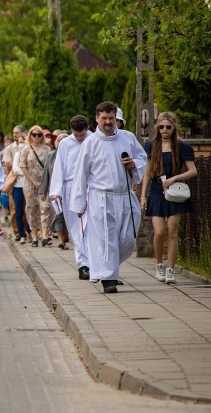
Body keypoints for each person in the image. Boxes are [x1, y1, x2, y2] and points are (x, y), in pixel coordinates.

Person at [68, 102, 147, 294]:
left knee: (128, 239)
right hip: (100, 197)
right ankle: (108, 278)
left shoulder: (128, 138)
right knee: (106, 239)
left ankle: (105, 267)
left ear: (116, 119)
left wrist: (133, 164)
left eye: (111, 118)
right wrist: (80, 205)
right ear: (97, 119)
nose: (108, 122)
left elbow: (143, 157)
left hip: (125, 195)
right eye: (103, 118)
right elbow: (81, 175)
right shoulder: (90, 142)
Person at [140, 112, 197, 285]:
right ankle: (159, 265)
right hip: (157, 191)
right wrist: (143, 196)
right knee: (159, 232)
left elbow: (193, 171)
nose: (165, 130)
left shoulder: (182, 147)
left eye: (168, 127)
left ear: (173, 128)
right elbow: (148, 172)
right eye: (161, 126)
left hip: (174, 191)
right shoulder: (151, 145)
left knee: (172, 232)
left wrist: (175, 178)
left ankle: (171, 270)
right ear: (157, 127)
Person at [49, 116, 94, 280]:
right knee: (76, 228)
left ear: (87, 128)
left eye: (82, 135)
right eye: (77, 136)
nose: (80, 139)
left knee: (91, 226)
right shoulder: (65, 144)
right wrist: (56, 191)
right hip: (70, 187)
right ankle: (83, 265)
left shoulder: (94, 139)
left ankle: (95, 263)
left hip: (91, 186)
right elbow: (59, 167)